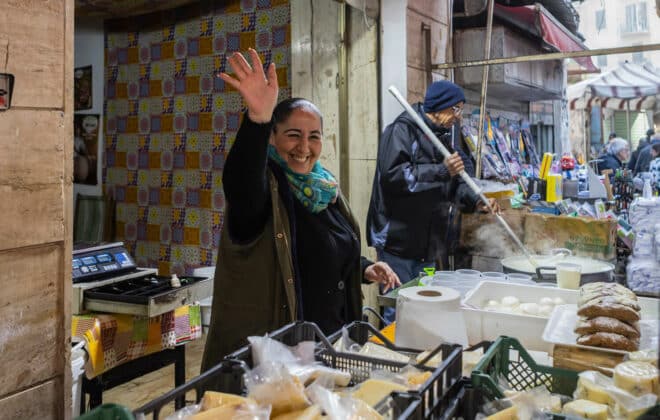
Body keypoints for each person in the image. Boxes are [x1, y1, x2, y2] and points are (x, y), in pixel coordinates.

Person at [201, 49, 401, 370]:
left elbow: (321, 248)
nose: (304, 148)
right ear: (272, 138)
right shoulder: (264, 191)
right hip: (278, 359)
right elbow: (240, 183)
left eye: (314, 137)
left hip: (330, 346)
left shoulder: (324, 189)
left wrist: (362, 267)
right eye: (293, 135)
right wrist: (257, 120)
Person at [366, 80, 499, 322]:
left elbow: (455, 183)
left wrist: (475, 201)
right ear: (439, 107)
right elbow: (393, 178)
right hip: (398, 242)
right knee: (399, 307)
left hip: (428, 243)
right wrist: (440, 170)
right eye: (455, 109)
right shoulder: (402, 131)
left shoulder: (444, 138)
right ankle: (392, 356)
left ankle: (419, 356)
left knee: (424, 304)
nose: (458, 117)